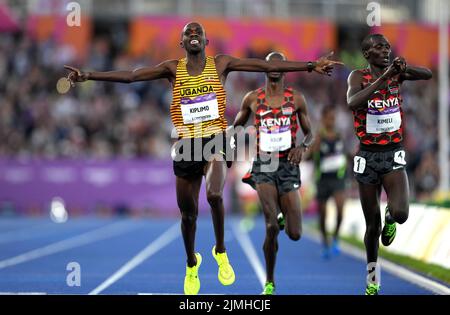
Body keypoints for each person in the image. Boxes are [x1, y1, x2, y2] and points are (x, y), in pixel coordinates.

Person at [64, 22, 342, 295]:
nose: (194, 34)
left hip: (215, 141)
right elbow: (132, 76)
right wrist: (89, 75)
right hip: (186, 146)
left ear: (206, 42)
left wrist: (310, 66)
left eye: (199, 32)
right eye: (188, 33)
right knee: (188, 216)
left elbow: (266, 66)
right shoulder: (172, 69)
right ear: (182, 43)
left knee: (215, 195)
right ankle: (191, 263)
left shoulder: (220, 64)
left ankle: (220, 250)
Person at [346, 33, 432, 295]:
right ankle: (372, 278)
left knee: (402, 214)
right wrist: (384, 78)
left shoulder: (397, 73)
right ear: (367, 54)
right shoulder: (357, 77)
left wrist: (406, 68)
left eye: (387, 47)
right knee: (372, 227)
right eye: (379, 47)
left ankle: (391, 217)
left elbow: (427, 73)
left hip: (392, 153)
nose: (385, 50)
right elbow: (352, 102)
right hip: (367, 156)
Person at [234, 52, 315, 295]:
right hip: (264, 164)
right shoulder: (252, 99)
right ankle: (269, 282)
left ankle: (280, 215)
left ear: (286, 69)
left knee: (295, 233)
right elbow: (236, 125)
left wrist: (304, 146)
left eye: (280, 64)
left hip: (288, 166)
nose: (275, 68)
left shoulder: (297, 99)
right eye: (271, 65)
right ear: (264, 69)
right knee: (271, 226)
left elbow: (310, 133)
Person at [309, 105, 347, 259]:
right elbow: (309, 156)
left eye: (333, 118)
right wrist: (314, 148)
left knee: (340, 209)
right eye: (329, 118)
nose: (332, 121)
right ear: (323, 119)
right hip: (322, 179)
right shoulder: (318, 136)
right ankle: (325, 241)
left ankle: (336, 237)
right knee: (323, 214)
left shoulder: (339, 135)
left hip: (338, 178)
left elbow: (344, 153)